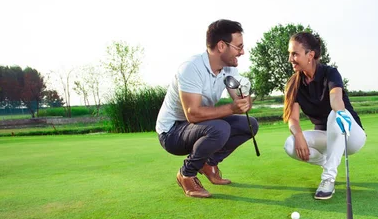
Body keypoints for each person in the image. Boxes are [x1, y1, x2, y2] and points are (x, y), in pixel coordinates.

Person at [156, 19, 258, 198]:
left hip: (199, 126)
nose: (242, 52)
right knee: (220, 128)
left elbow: (239, 102)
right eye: (238, 47)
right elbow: (192, 114)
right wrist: (233, 108)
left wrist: (245, 99)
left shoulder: (229, 68)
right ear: (221, 46)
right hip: (172, 132)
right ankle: (186, 174)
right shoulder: (191, 68)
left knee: (250, 125)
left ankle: (209, 164)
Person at [283, 32, 366, 200]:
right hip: (326, 137)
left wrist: (342, 114)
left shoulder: (330, 73)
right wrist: (298, 135)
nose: (290, 58)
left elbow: (336, 99)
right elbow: (293, 118)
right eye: (290, 54)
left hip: (349, 134)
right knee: (290, 144)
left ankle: (328, 178)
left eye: (295, 54)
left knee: (333, 115)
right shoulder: (294, 83)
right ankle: (328, 164)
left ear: (310, 55)